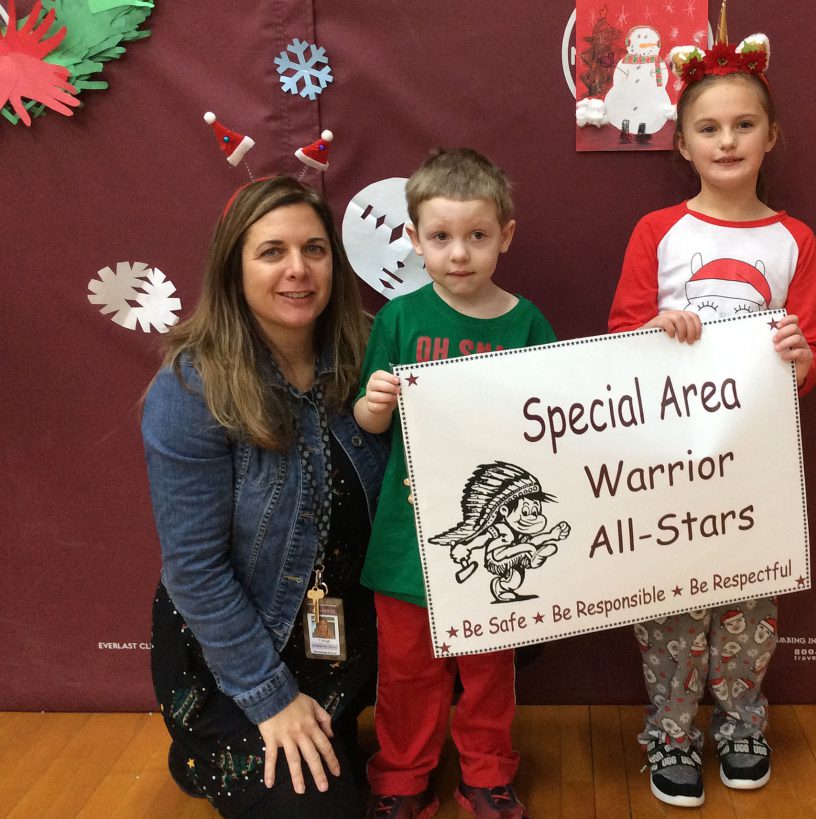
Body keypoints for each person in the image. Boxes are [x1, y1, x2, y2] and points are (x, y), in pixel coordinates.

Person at [607, 16, 816, 810]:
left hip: (756, 456)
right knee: (671, 606)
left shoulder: (793, 238)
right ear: (684, 143)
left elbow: (811, 355)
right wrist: (655, 332)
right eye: (709, 126)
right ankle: (670, 731)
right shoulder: (658, 232)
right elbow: (619, 339)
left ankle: (741, 720)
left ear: (772, 136)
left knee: (749, 601)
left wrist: (799, 359)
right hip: (666, 458)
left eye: (743, 124)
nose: (726, 140)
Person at [141, 175, 388, 818]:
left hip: (342, 633)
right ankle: (213, 740)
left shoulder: (372, 350)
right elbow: (193, 569)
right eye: (272, 251)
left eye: (314, 249)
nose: (298, 270)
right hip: (242, 650)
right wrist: (268, 696)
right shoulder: (191, 388)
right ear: (234, 266)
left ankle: (334, 716)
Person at [354, 148, 556, 818]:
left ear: (506, 235)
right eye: (440, 238)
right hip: (407, 539)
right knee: (408, 669)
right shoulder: (399, 320)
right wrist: (377, 402)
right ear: (414, 240)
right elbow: (365, 420)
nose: (459, 254)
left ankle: (487, 773)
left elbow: (558, 421)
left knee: (488, 669)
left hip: (495, 540)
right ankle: (402, 775)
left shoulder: (526, 323)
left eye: (476, 236)